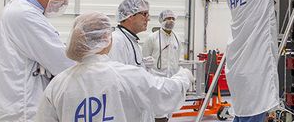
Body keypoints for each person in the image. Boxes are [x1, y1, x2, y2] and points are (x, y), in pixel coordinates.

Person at [37, 12, 193, 121]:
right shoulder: (127, 76)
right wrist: (183, 77)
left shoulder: (58, 85)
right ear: (106, 38)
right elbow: (164, 94)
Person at [143, 10, 183, 122]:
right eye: (167, 18)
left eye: (172, 18)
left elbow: (177, 59)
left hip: (171, 79)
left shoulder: (177, 38)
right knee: (157, 109)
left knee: (169, 108)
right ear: (161, 20)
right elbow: (144, 58)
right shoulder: (152, 38)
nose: (170, 21)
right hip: (156, 79)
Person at [109, 0, 150, 67]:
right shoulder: (116, 41)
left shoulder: (133, 42)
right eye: (144, 14)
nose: (148, 19)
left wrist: (143, 66)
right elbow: (116, 75)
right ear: (130, 16)